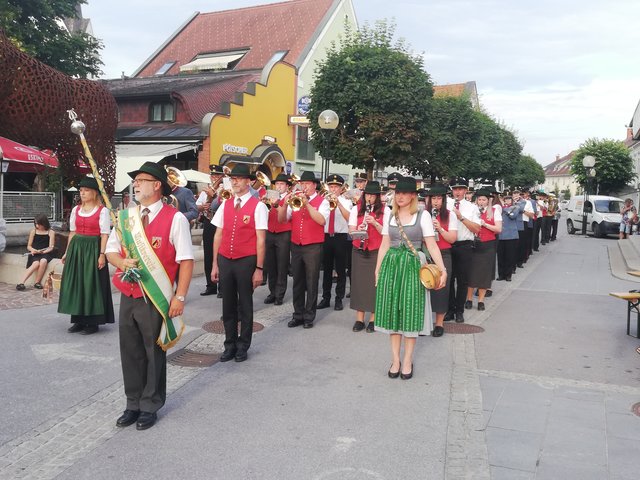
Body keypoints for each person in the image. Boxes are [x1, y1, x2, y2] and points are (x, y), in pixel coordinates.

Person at [106, 162, 194, 431]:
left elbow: (186, 261)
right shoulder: (125, 218)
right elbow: (110, 251)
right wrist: (122, 264)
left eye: (141, 180)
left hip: (156, 298)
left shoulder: (175, 218)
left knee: (153, 351)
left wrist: (179, 297)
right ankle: (133, 402)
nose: (136, 185)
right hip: (129, 294)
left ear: (157, 185)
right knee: (130, 351)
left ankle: (150, 404)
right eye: (135, 181)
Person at [375, 177, 447, 380]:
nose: (400, 196)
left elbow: (431, 245)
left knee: (410, 312)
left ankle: (407, 360)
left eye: (405, 193)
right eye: (398, 193)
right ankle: (395, 360)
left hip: (413, 266)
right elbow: (384, 245)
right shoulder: (389, 215)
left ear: (413, 196)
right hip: (391, 266)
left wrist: (442, 270)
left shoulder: (422, 216)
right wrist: (378, 270)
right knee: (393, 313)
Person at [211, 164, 268, 363]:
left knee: (245, 305)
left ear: (249, 181)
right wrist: (214, 264)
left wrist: (259, 269)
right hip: (226, 259)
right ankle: (229, 344)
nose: (234, 181)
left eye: (239, 178)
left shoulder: (258, 206)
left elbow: (261, 240)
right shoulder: (226, 203)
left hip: (246, 260)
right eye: (232, 178)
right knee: (227, 306)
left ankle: (243, 346)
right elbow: (218, 235)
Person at [58, 176, 114, 335]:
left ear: (94, 193)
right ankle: (78, 320)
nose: (82, 193)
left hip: (93, 249)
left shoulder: (102, 211)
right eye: (81, 190)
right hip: (77, 249)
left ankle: (92, 323)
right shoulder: (76, 210)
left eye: (86, 190)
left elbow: (104, 234)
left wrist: (102, 254)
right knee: (77, 284)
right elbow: (72, 232)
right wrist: (67, 252)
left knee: (91, 285)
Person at [278, 171, 329, 329]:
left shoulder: (323, 201)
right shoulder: (295, 200)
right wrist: (285, 203)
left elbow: (321, 221)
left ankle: (309, 316)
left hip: (313, 245)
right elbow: (281, 220)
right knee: (297, 281)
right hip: (296, 244)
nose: (304, 186)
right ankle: (298, 314)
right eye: (302, 183)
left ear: (314, 185)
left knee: (311, 281)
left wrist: (307, 203)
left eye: (307, 184)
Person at [348, 181, 384, 333]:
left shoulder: (385, 212)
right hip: (359, 249)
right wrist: (359, 229)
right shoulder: (356, 210)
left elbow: (386, 232)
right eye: (368, 195)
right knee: (359, 284)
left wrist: (374, 223)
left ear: (377, 197)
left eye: (373, 195)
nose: (370, 198)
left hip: (376, 250)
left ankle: (373, 319)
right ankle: (359, 318)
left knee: (374, 284)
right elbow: (350, 232)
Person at [424, 184, 458, 337]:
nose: (436, 201)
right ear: (429, 200)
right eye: (433, 198)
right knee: (423, 288)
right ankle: (423, 323)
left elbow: (452, 239)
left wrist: (440, 229)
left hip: (443, 254)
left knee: (441, 288)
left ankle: (439, 323)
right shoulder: (422, 214)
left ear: (443, 200)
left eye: (439, 198)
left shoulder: (450, 215)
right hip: (425, 254)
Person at [446, 177, 481, 323]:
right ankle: (450, 309)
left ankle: (459, 310)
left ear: (466, 190)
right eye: (455, 189)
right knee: (448, 279)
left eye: (460, 189)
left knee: (462, 280)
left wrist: (461, 218)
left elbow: (477, 229)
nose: (457, 192)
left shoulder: (472, 207)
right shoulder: (446, 204)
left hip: (464, 245)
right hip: (448, 244)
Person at [318, 174, 352, 311]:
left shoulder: (346, 201)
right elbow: (321, 218)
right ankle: (326, 298)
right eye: (331, 187)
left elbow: (349, 218)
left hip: (341, 237)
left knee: (340, 269)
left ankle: (339, 299)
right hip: (326, 236)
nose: (333, 190)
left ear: (341, 188)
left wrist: (338, 204)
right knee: (326, 269)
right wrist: (329, 202)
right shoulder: (324, 201)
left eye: (336, 187)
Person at [466, 189, 502, 310]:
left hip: (488, 245)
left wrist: (485, 224)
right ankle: (469, 299)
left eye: (484, 200)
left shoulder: (494, 211)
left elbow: (498, 229)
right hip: (473, 244)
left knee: (484, 273)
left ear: (488, 201)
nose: (481, 202)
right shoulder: (472, 210)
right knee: (471, 272)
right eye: (479, 199)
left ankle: (481, 301)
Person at [196, 165, 225, 296]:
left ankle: (223, 288)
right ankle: (211, 286)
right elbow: (197, 206)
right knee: (208, 254)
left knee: (221, 255)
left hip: (221, 224)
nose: (214, 178)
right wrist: (203, 206)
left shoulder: (226, 189)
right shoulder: (206, 189)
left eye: (217, 176)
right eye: (212, 176)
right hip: (209, 222)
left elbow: (226, 205)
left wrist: (214, 198)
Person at [264, 173, 292, 305]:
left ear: (287, 186)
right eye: (277, 184)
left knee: (282, 265)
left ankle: (279, 294)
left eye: (282, 184)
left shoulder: (290, 198)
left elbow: (287, 215)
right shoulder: (269, 196)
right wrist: (263, 203)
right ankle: (272, 292)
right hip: (270, 231)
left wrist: (276, 205)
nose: (279, 186)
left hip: (284, 232)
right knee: (271, 264)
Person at [16, 214, 56, 290]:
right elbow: (29, 246)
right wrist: (33, 250)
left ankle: (37, 282)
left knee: (43, 261)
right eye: (36, 223)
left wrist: (43, 252)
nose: (37, 225)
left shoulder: (51, 232)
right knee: (36, 263)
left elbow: (51, 247)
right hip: (34, 253)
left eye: (38, 224)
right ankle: (21, 282)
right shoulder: (33, 231)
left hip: (46, 253)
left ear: (44, 223)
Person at [496, 194, 519, 282]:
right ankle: (501, 274)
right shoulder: (500, 208)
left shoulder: (515, 207)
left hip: (511, 235)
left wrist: (503, 207)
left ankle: (508, 275)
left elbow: (512, 215)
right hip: (501, 235)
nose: (507, 201)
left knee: (510, 256)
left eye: (509, 199)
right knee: (500, 256)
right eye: (506, 199)